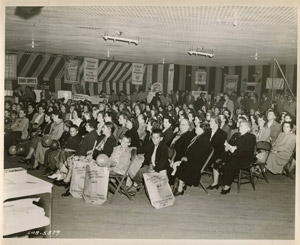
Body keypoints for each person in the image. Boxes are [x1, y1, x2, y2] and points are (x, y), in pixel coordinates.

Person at [208, 119, 256, 194]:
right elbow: (228, 142)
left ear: (248, 128)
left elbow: (246, 150)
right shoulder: (236, 134)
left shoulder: (251, 137)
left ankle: (227, 186)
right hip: (233, 154)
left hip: (244, 157)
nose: (240, 127)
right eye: (240, 126)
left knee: (230, 164)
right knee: (217, 161)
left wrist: (235, 148)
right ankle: (215, 183)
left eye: (242, 126)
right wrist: (227, 147)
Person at [127, 128, 170, 196]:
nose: (154, 140)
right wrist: (133, 148)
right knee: (142, 170)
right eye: (153, 137)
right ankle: (135, 186)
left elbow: (163, 162)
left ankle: (136, 186)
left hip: (160, 168)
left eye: (157, 138)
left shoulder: (163, 148)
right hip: (151, 166)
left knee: (144, 171)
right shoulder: (151, 145)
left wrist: (155, 169)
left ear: (161, 139)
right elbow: (142, 149)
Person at [173, 123, 212, 196]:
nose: (195, 128)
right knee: (178, 160)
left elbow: (197, 155)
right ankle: (181, 185)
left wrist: (186, 158)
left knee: (183, 165)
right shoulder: (198, 137)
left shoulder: (204, 140)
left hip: (197, 163)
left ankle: (180, 188)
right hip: (193, 159)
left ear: (202, 129)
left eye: (197, 127)